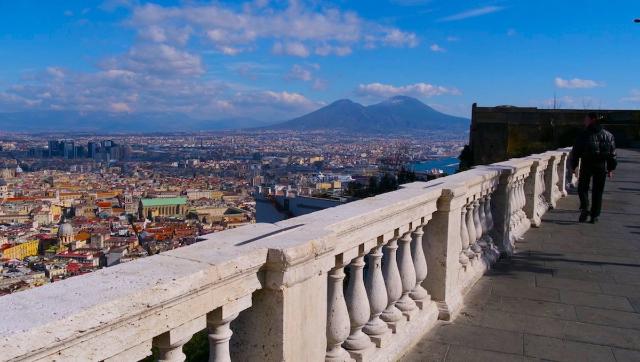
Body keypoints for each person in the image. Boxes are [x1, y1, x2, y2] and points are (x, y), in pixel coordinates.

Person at [570, 112, 617, 223]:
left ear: (592, 120)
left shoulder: (583, 134)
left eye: (586, 119)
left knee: (582, 188)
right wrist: (610, 168)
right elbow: (612, 154)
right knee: (598, 191)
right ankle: (594, 215)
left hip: (587, 164)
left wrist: (574, 166)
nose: (584, 121)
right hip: (601, 166)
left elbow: (576, 152)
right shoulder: (608, 135)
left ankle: (585, 207)